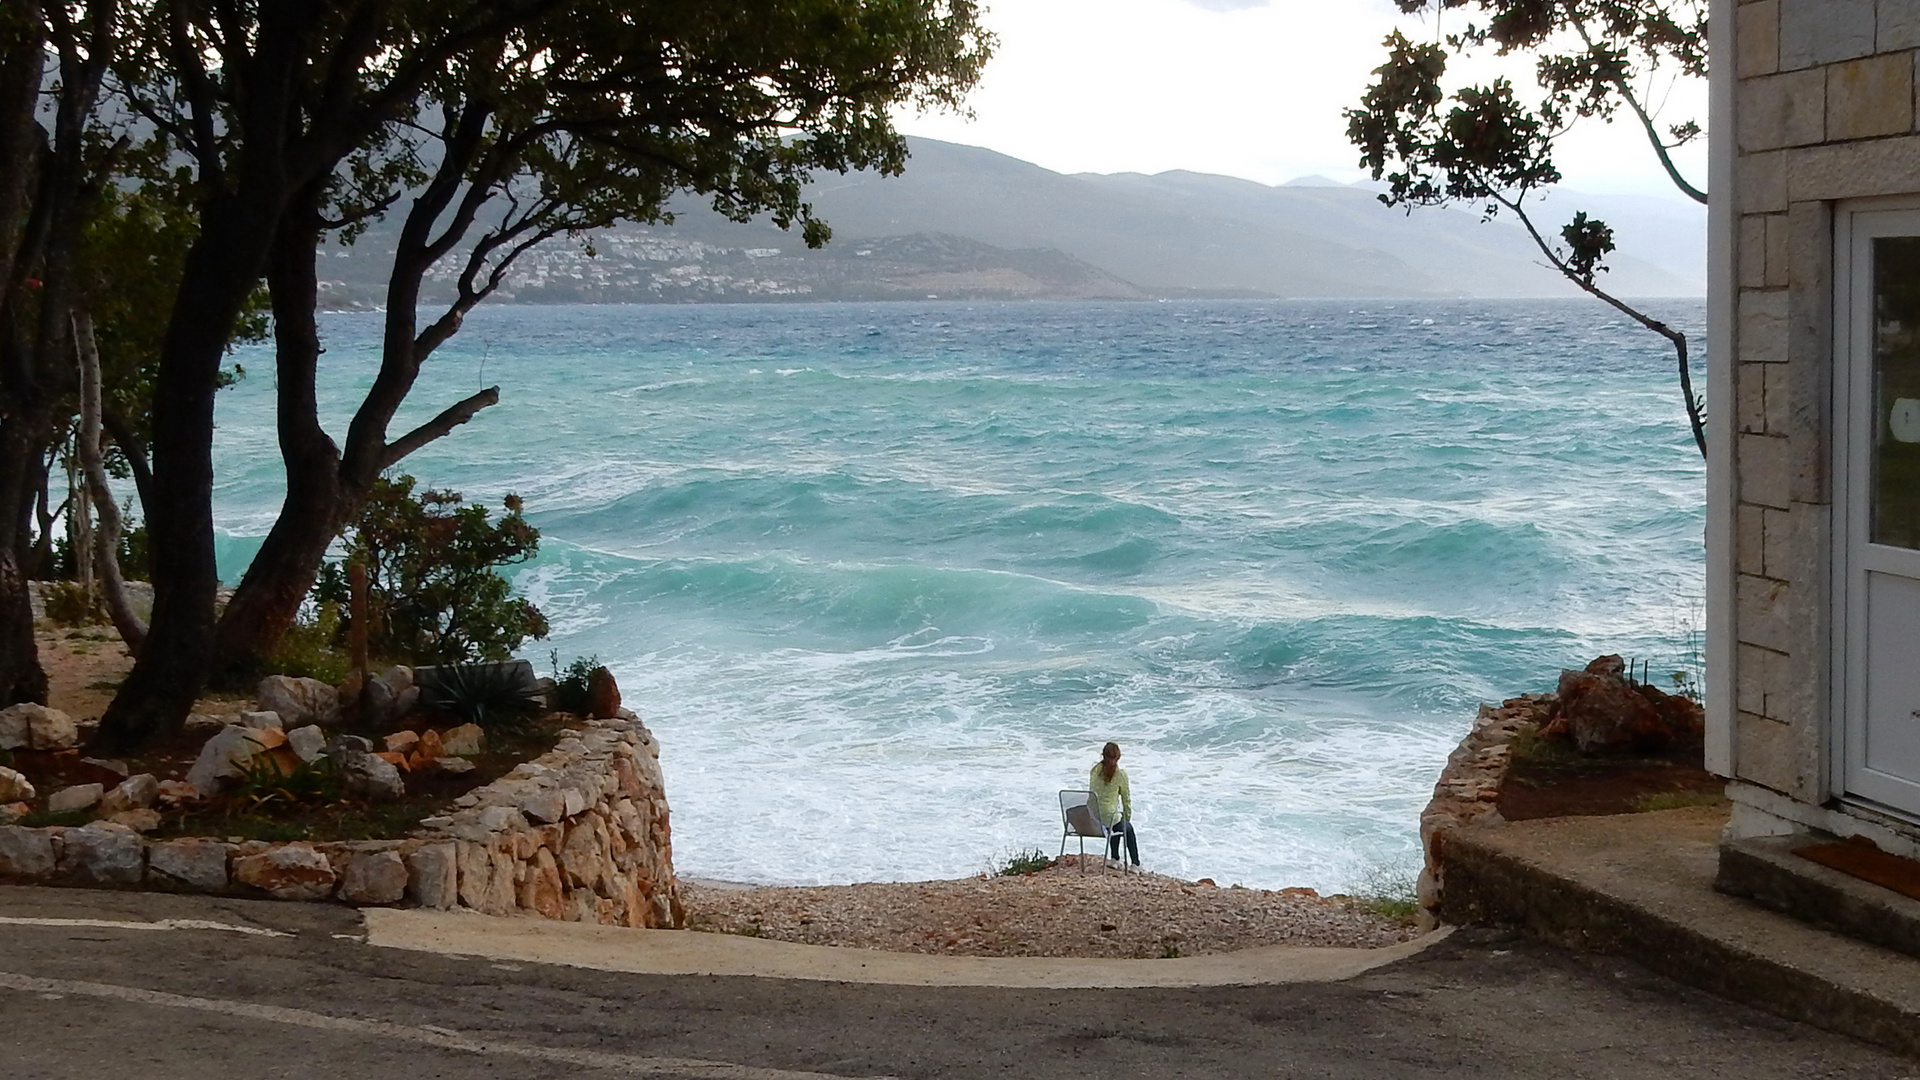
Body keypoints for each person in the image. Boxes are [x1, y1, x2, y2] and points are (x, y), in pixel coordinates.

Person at [1088, 741, 1139, 869]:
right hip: (1108, 820)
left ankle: (1115, 858)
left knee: (1115, 821)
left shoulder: (1094, 770)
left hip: (1092, 819)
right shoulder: (1121, 775)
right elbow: (1126, 800)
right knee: (1126, 826)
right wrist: (1127, 818)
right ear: (1118, 757)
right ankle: (1135, 864)